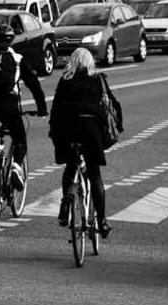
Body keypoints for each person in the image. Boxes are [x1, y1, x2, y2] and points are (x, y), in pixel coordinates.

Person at [49, 48, 119, 238]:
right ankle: (102, 221)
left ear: (72, 62)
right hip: (90, 130)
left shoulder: (65, 80)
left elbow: (55, 111)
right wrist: (116, 128)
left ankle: (65, 206)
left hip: (67, 130)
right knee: (94, 174)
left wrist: (54, 133)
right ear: (90, 62)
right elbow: (113, 105)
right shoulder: (97, 79)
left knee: (70, 168)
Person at [0, 25, 48, 189]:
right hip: (9, 105)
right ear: (11, 40)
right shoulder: (18, 60)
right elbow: (34, 85)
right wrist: (42, 108)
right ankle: (16, 168)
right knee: (20, 140)